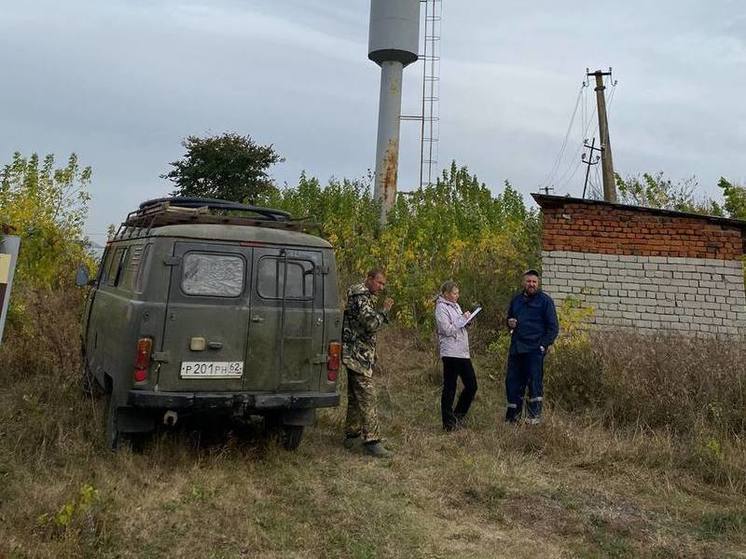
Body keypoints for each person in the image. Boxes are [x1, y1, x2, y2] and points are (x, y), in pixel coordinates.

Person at [341, 268, 394, 457]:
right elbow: (371, 324)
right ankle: (372, 440)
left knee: (356, 397)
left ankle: (352, 434)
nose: (381, 287)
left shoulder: (362, 295)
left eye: (383, 284)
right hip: (356, 355)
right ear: (369, 279)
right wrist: (385, 311)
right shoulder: (361, 296)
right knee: (368, 395)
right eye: (379, 282)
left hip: (358, 353)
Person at [505, 269, 559, 424]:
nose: (531, 284)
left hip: (534, 350)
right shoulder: (516, 300)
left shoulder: (545, 301)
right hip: (516, 349)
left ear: (538, 283)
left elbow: (553, 328)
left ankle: (533, 420)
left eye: (534, 282)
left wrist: (543, 345)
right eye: (529, 281)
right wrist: (509, 323)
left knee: (534, 385)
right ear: (524, 282)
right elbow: (509, 320)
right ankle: (512, 419)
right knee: (513, 383)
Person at [435, 281, 478, 431]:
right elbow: (446, 329)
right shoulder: (441, 308)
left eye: (458, 293)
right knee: (450, 387)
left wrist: (467, 321)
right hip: (450, 352)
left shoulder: (456, 306)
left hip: (462, 352)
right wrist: (461, 320)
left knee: (472, 385)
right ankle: (448, 423)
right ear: (446, 294)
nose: (457, 296)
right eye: (454, 293)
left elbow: (459, 325)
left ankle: (457, 416)